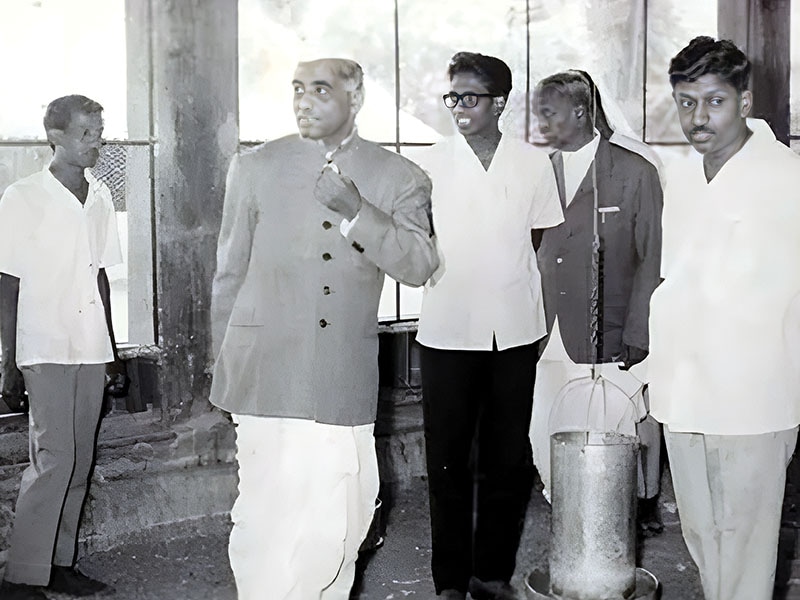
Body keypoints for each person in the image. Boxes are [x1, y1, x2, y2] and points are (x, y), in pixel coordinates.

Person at [209, 57, 437, 600]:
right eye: (296, 90)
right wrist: (223, 364)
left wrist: (358, 210)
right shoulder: (257, 166)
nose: (304, 101)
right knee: (265, 520)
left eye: (319, 90)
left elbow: (419, 265)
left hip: (340, 376)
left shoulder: (398, 175)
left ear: (355, 100)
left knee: (341, 521)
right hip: (264, 373)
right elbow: (228, 271)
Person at [647, 36, 800, 600]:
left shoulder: (787, 178)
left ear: (745, 101)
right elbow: (672, 280)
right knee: (703, 533)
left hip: (754, 394)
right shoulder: (680, 177)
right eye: (686, 102)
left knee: (745, 541)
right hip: (684, 390)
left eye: (713, 101)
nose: (698, 117)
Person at [415, 52, 563, 600]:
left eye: (470, 98)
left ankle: (492, 574)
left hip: (515, 330)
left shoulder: (532, 163)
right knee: (449, 460)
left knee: (507, 459)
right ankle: (450, 581)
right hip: (447, 329)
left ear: (500, 102)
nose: (458, 107)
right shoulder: (429, 164)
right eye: (451, 97)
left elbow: (540, 239)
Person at [529, 70, 664, 531]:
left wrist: (639, 331)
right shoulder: (537, 172)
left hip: (609, 336)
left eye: (549, 111)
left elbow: (652, 256)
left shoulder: (633, 172)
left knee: (605, 450)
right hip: (546, 336)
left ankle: (602, 547)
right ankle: (573, 540)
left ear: (582, 111)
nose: (539, 121)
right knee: (544, 443)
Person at [0, 95, 122, 600]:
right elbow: (7, 282)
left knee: (80, 457)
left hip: (89, 345)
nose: (97, 141)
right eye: (86, 133)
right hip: (44, 344)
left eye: (99, 132)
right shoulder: (22, 196)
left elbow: (100, 278)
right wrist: (7, 363)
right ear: (56, 136)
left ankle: (58, 564)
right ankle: (21, 574)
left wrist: (111, 352)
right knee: (53, 458)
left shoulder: (100, 197)